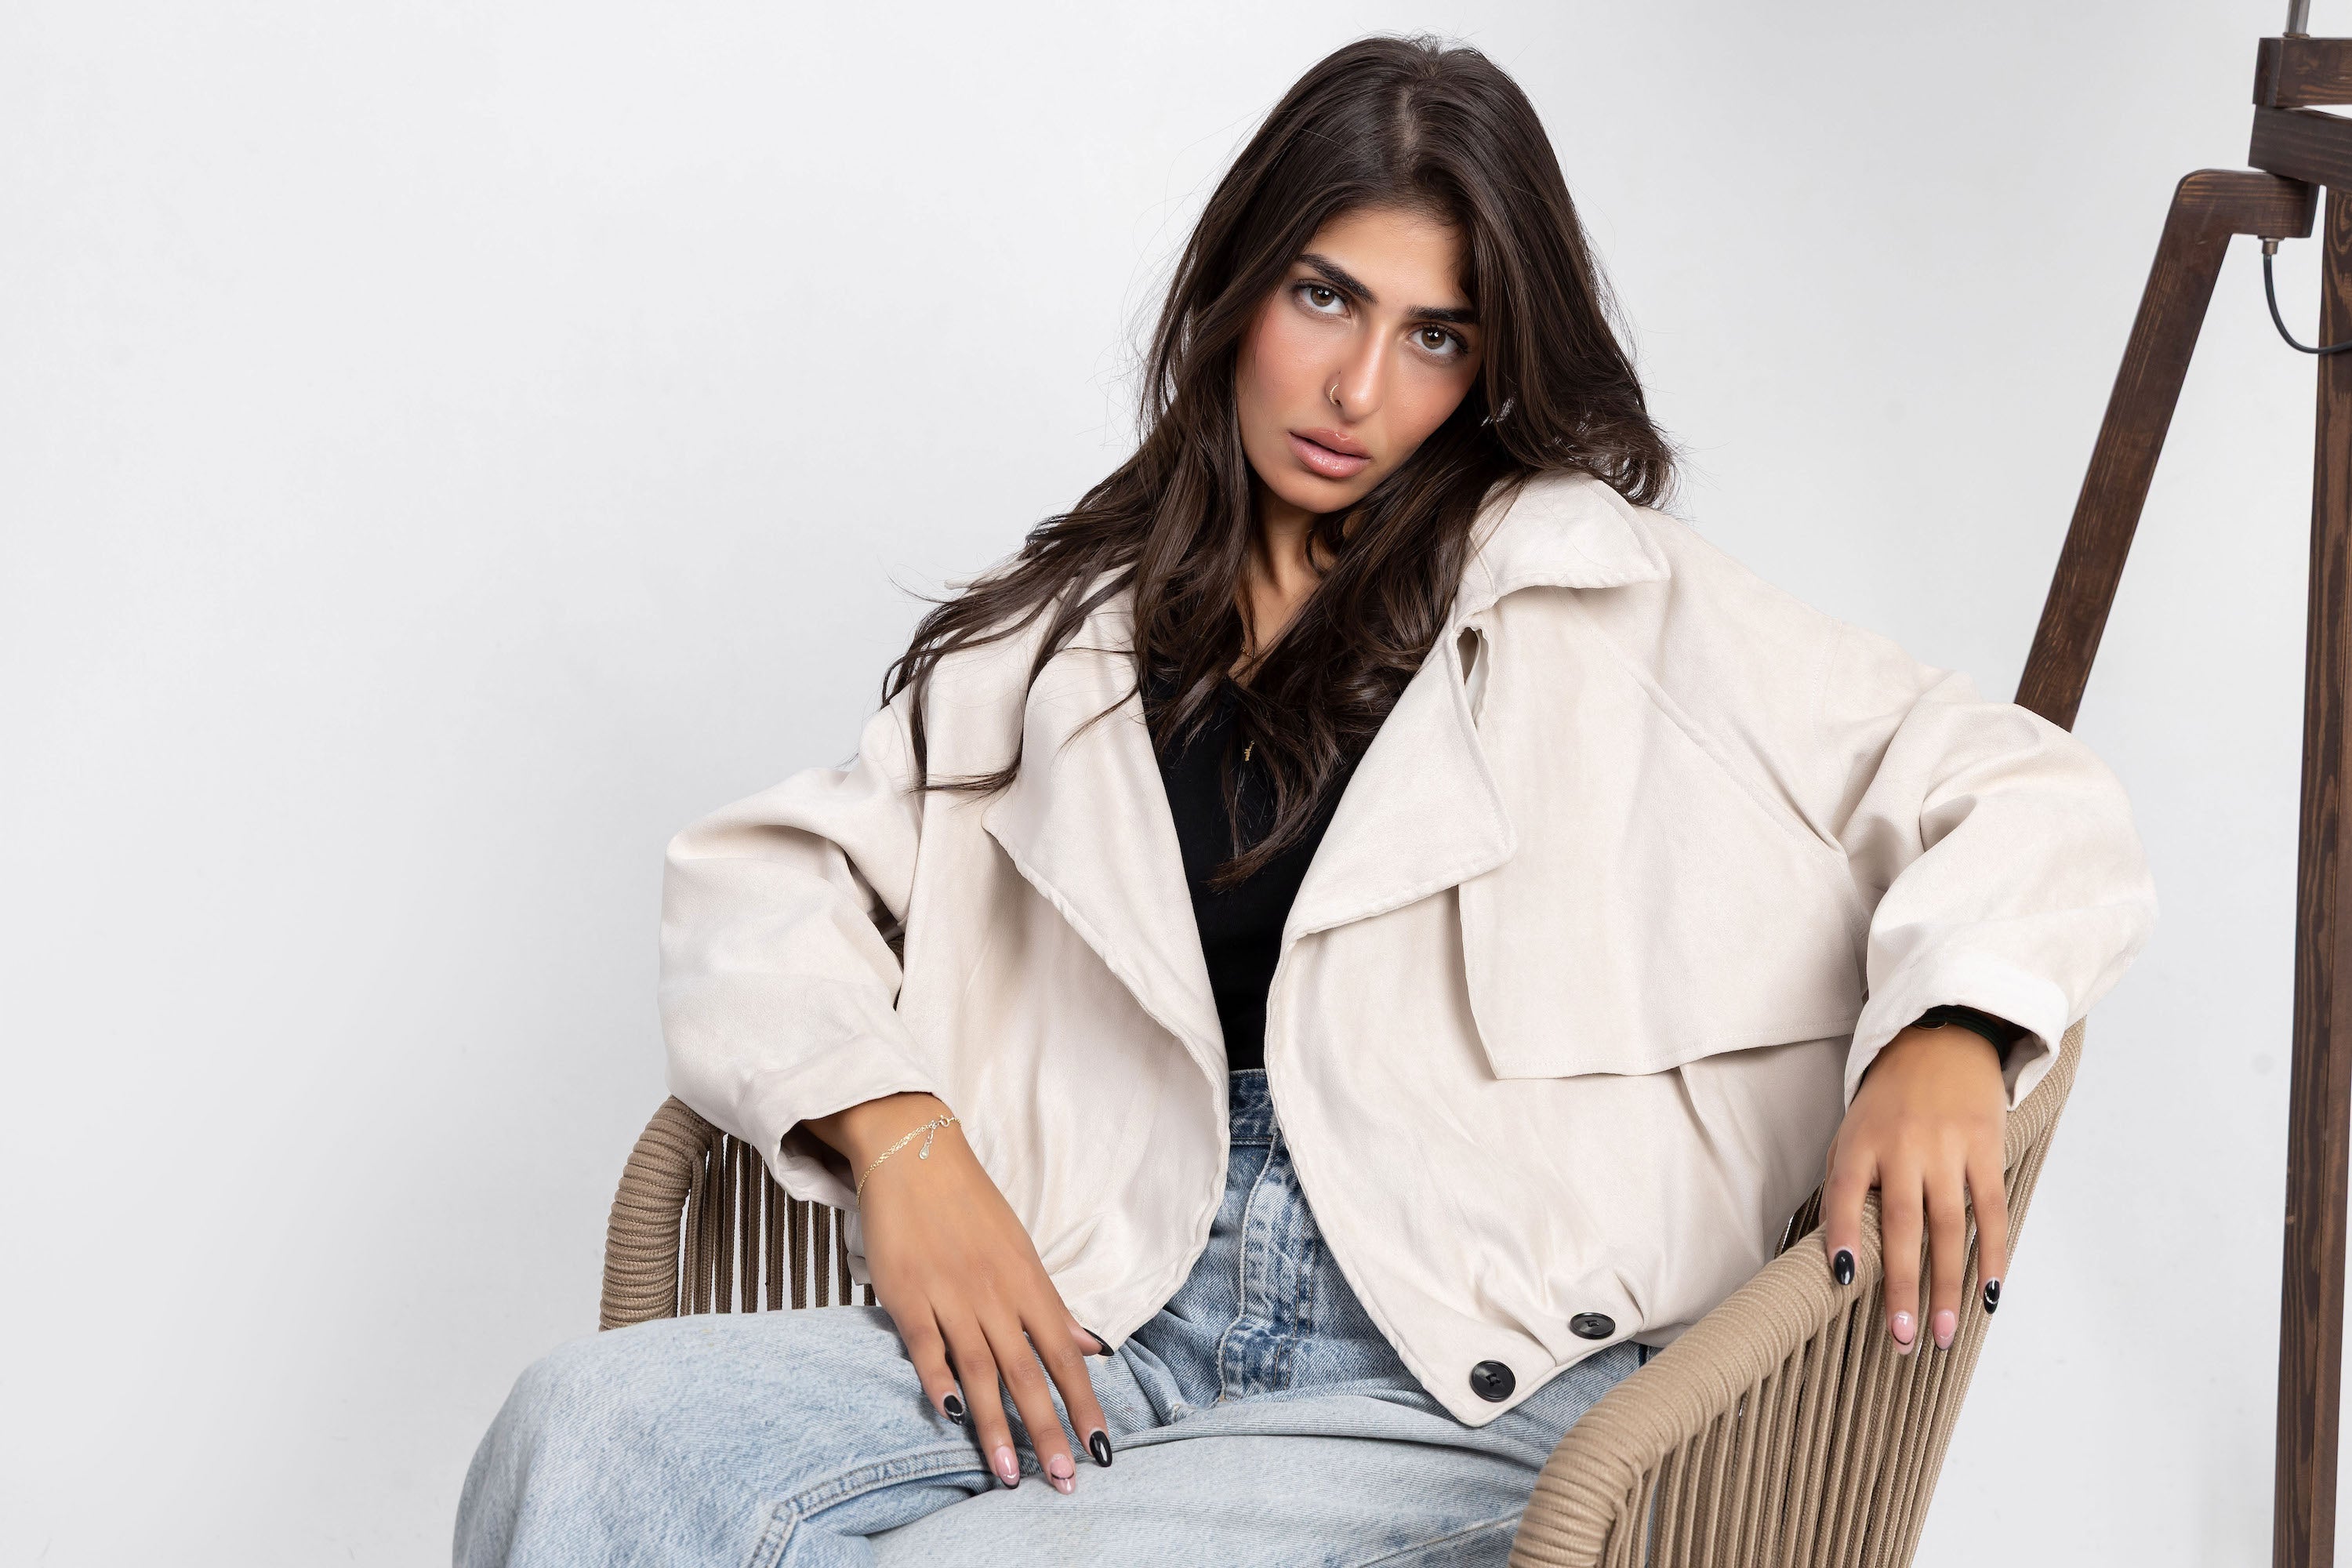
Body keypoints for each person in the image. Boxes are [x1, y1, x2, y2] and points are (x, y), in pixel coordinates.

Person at [456, 34, 2154, 1568]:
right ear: (1239, 289)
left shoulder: (1607, 603)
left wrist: (1946, 1031)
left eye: (1436, 337)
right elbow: (761, 888)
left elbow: (2020, 788)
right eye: (1327, 300)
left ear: (1491, 371)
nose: (1359, 392)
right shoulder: (1072, 637)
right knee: (584, 1428)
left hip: (1449, 1376)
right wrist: (901, 1145)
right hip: (1107, 1300)